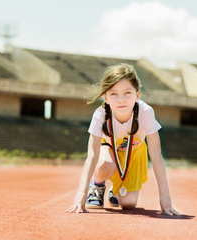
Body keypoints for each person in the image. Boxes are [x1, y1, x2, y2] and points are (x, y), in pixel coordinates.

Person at [66, 63, 181, 215]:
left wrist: (165, 198)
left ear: (137, 95)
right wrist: (81, 194)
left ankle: (115, 190)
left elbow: (156, 154)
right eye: (114, 94)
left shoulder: (145, 112)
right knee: (105, 165)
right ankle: (98, 186)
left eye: (127, 92)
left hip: (134, 152)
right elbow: (92, 155)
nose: (121, 100)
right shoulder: (100, 115)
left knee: (129, 204)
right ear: (105, 97)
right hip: (109, 149)